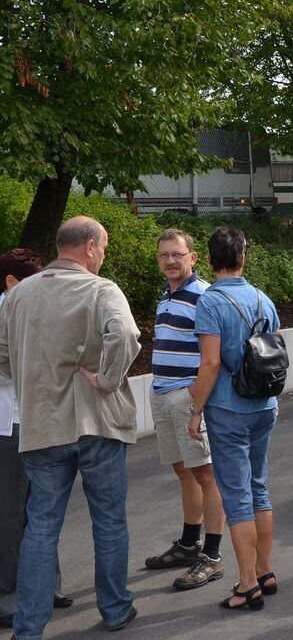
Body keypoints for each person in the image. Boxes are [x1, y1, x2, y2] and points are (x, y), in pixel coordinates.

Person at [0, 217, 141, 637]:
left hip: (42, 425)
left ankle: (29, 626)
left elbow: (2, 353)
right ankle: (115, 609)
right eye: (105, 248)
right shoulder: (101, 290)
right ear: (91, 247)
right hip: (96, 420)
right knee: (109, 520)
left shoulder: (18, 294)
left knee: (41, 524)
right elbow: (127, 335)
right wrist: (108, 379)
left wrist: (28, 374)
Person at [186, 226, 281, 611]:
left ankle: (246, 585)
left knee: (237, 497)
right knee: (259, 488)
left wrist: (195, 411)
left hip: (228, 409)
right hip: (264, 406)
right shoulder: (263, 299)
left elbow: (210, 363)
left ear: (210, 260)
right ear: (244, 258)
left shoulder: (210, 302)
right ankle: (265, 571)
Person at [144, 229, 226, 590]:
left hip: (188, 400)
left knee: (206, 475)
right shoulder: (166, 296)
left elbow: (214, 355)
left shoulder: (205, 296)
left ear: (193, 257)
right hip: (162, 395)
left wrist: (197, 399)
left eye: (177, 254)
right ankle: (189, 543)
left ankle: (212, 554)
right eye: (164, 255)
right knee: (184, 473)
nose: (170, 261)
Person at [0, 249, 74, 630]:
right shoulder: (4, 311)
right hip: (10, 424)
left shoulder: (29, 308)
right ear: (12, 283)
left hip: (40, 421)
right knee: (11, 513)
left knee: (43, 509)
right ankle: (8, 596)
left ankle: (47, 586)